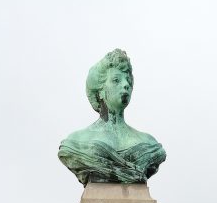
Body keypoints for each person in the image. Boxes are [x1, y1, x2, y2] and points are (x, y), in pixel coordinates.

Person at [58, 49, 166, 185]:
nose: (126, 85)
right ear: (100, 91)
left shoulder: (149, 143)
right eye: (116, 80)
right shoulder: (76, 142)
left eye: (128, 80)